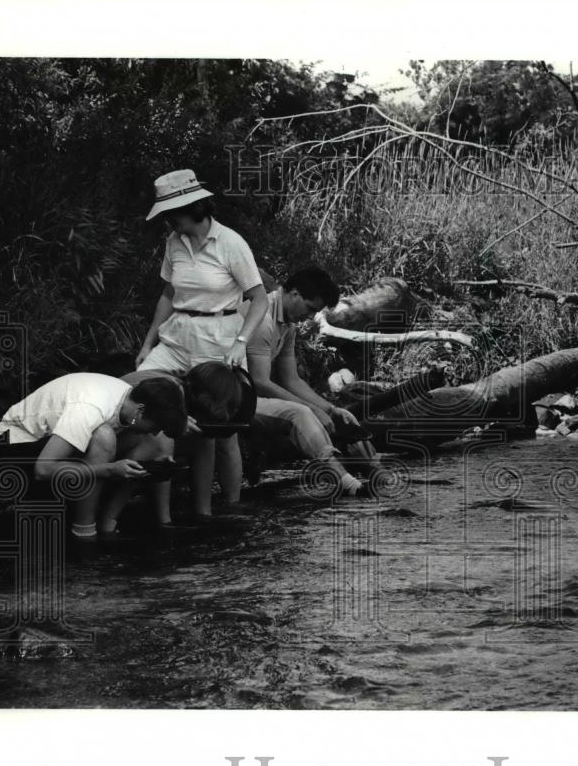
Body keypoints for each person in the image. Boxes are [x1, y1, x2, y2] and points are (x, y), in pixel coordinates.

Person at [136, 169, 268, 517]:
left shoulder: (231, 243)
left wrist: (241, 342)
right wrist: (148, 342)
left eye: (172, 213)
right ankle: (163, 516)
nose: (168, 220)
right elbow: (168, 293)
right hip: (177, 335)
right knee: (141, 396)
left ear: (193, 208)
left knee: (217, 434)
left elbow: (259, 298)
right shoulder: (173, 243)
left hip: (218, 338)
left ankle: (221, 511)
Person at [0, 373, 187, 538]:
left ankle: (108, 526)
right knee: (104, 437)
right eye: (154, 426)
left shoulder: (128, 399)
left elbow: (150, 436)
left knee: (158, 442)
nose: (153, 431)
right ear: (141, 410)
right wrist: (109, 470)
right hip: (16, 443)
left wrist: (154, 465)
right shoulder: (90, 407)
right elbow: (43, 469)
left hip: (58, 440)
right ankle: (84, 532)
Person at [243, 266, 378, 497]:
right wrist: (314, 410)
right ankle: (350, 486)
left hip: (248, 395)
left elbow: (291, 379)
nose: (310, 316)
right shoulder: (263, 319)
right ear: (294, 294)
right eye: (310, 308)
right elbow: (260, 382)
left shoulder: (288, 323)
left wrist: (331, 409)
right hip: (232, 398)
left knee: (333, 418)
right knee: (301, 413)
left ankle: (376, 474)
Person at [109, 361, 247, 531]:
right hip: (115, 434)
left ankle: (204, 513)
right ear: (207, 396)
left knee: (204, 439)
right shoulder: (170, 389)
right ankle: (164, 520)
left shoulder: (186, 387)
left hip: (135, 432)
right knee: (164, 438)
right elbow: (146, 421)